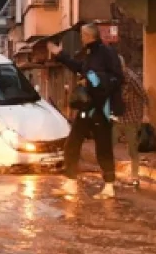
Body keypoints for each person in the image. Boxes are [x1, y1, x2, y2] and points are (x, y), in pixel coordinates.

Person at [48, 23, 124, 200]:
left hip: (101, 108)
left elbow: (116, 78)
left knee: (103, 147)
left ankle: (109, 186)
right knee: (72, 143)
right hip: (87, 107)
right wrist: (60, 55)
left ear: (90, 36)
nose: (81, 39)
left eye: (82, 35)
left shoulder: (106, 52)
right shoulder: (90, 53)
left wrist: (92, 81)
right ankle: (70, 182)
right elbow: (80, 67)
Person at [114, 54, 148, 187]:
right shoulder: (116, 79)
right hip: (118, 118)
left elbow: (145, 96)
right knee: (109, 146)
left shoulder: (132, 78)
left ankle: (135, 177)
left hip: (131, 119)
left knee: (132, 149)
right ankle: (111, 177)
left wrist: (145, 114)